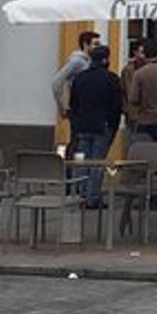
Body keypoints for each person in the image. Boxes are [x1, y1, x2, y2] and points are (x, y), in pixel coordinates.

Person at [67, 45, 122, 209]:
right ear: (106, 60)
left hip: (82, 127)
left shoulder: (80, 78)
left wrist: (76, 123)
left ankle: (81, 194)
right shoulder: (111, 78)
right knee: (97, 163)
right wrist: (113, 125)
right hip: (101, 126)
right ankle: (93, 199)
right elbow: (116, 106)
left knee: (83, 162)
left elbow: (73, 103)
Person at [51, 30, 100, 121]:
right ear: (86, 44)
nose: (98, 47)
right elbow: (56, 82)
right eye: (95, 44)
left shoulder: (90, 62)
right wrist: (64, 107)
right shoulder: (77, 62)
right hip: (78, 110)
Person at [119, 38, 146, 145]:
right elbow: (126, 91)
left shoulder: (148, 68)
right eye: (142, 52)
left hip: (146, 115)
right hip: (133, 115)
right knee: (132, 144)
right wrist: (125, 109)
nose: (144, 55)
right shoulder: (128, 70)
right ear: (135, 53)